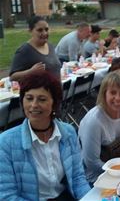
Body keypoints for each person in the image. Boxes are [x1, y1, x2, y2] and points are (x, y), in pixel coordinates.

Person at [0, 71, 90, 200]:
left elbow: (77, 179)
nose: (34, 105)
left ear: (54, 104)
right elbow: (7, 196)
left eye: (42, 99)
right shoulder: (5, 143)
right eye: (29, 98)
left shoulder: (68, 133)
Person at [78, 71, 120, 184]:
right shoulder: (94, 121)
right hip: (96, 178)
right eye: (113, 92)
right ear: (104, 94)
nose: (118, 98)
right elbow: (92, 163)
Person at [10, 16, 61, 82]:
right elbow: (13, 77)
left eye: (46, 29)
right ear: (30, 31)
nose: (45, 33)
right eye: (40, 30)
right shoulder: (24, 50)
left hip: (56, 91)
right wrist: (31, 72)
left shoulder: (50, 45)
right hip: (38, 92)